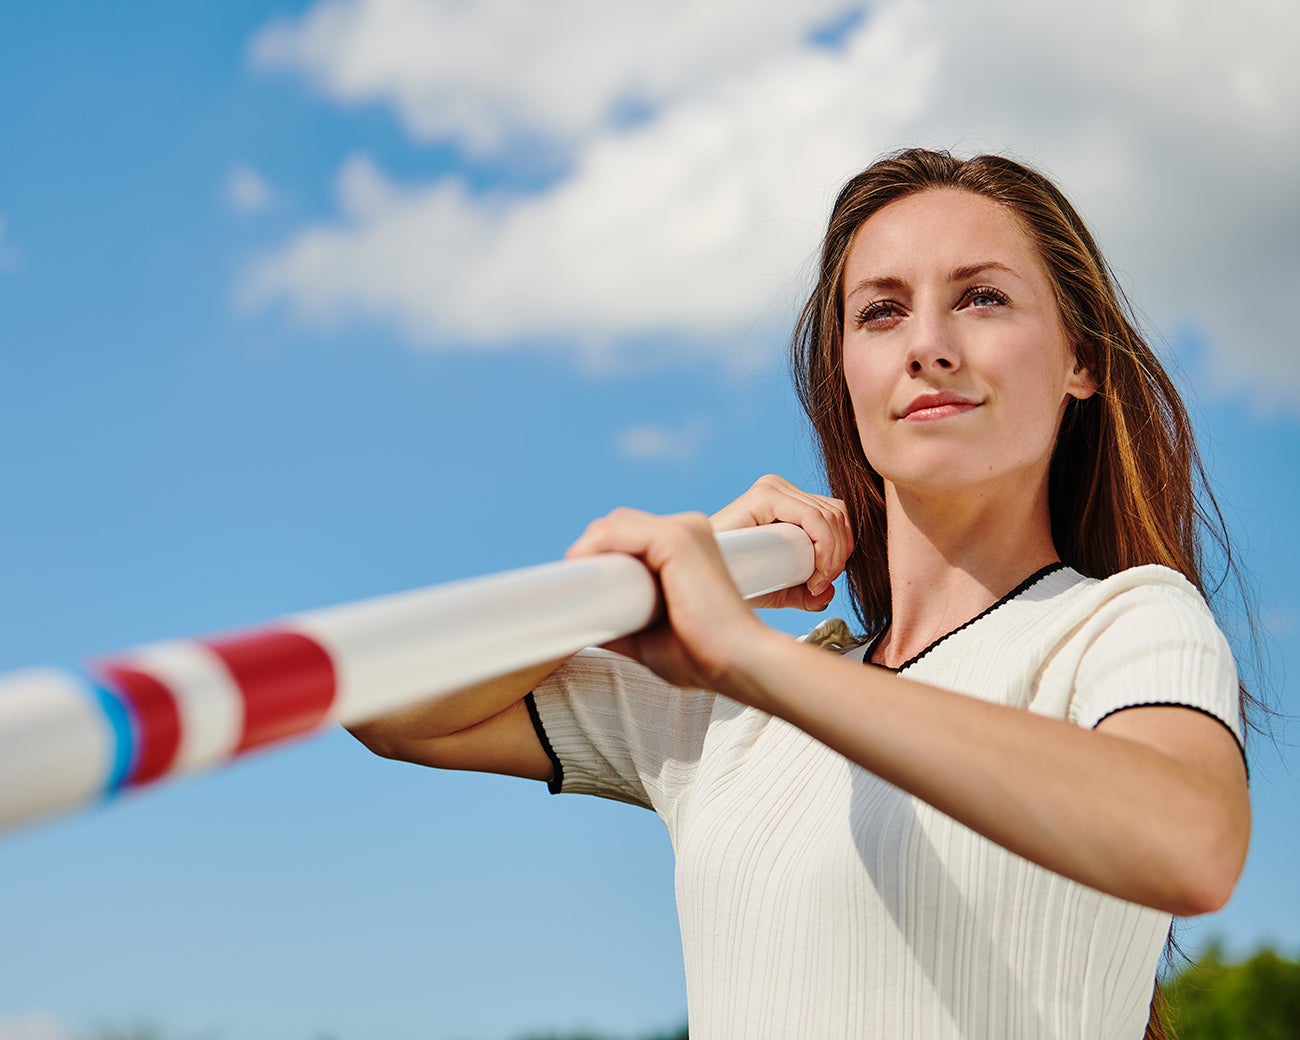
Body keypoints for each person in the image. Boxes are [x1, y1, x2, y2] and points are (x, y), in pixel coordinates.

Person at [348, 149, 1252, 1039]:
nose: (929, 347)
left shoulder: (1123, 624)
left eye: (981, 297)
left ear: (1080, 362)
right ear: (845, 378)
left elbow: (1192, 844)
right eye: (882, 313)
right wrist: (652, 583)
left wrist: (747, 658)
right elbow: (390, 705)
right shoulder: (721, 715)